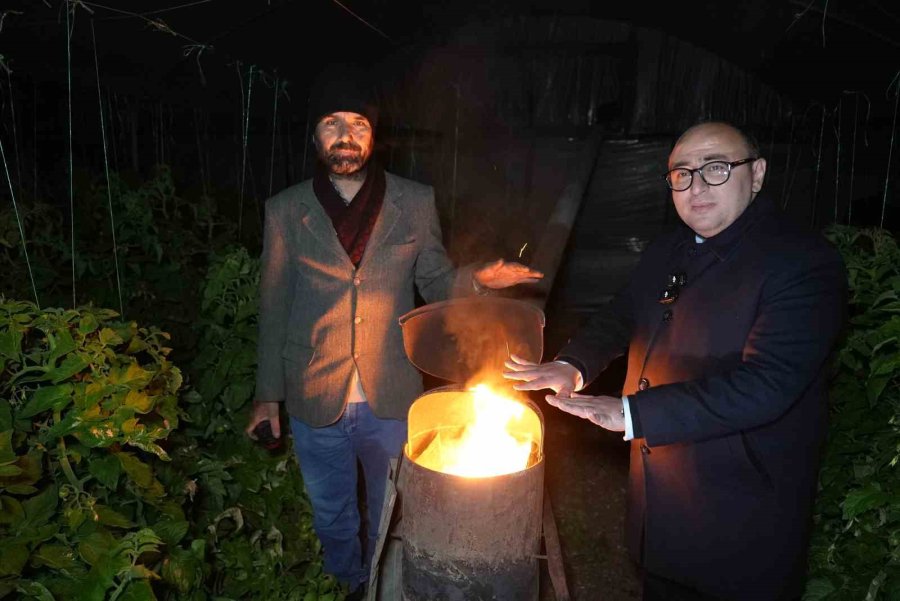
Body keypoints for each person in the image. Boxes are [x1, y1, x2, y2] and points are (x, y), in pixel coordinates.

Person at [504, 121, 847, 600]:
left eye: (716, 168)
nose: (697, 186)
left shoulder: (801, 263)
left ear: (759, 173)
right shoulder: (670, 248)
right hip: (662, 502)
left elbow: (767, 385)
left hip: (742, 516)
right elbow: (625, 312)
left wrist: (631, 413)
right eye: (681, 173)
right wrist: (574, 364)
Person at [245, 65, 542, 599]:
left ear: (373, 135)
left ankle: (394, 582)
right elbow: (274, 305)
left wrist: (477, 279)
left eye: (358, 123)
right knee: (333, 509)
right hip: (313, 390)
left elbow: (432, 277)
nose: (345, 134)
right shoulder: (285, 210)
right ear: (315, 136)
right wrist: (268, 396)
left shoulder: (413, 201)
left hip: (391, 389)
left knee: (395, 502)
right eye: (332, 123)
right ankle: (349, 584)